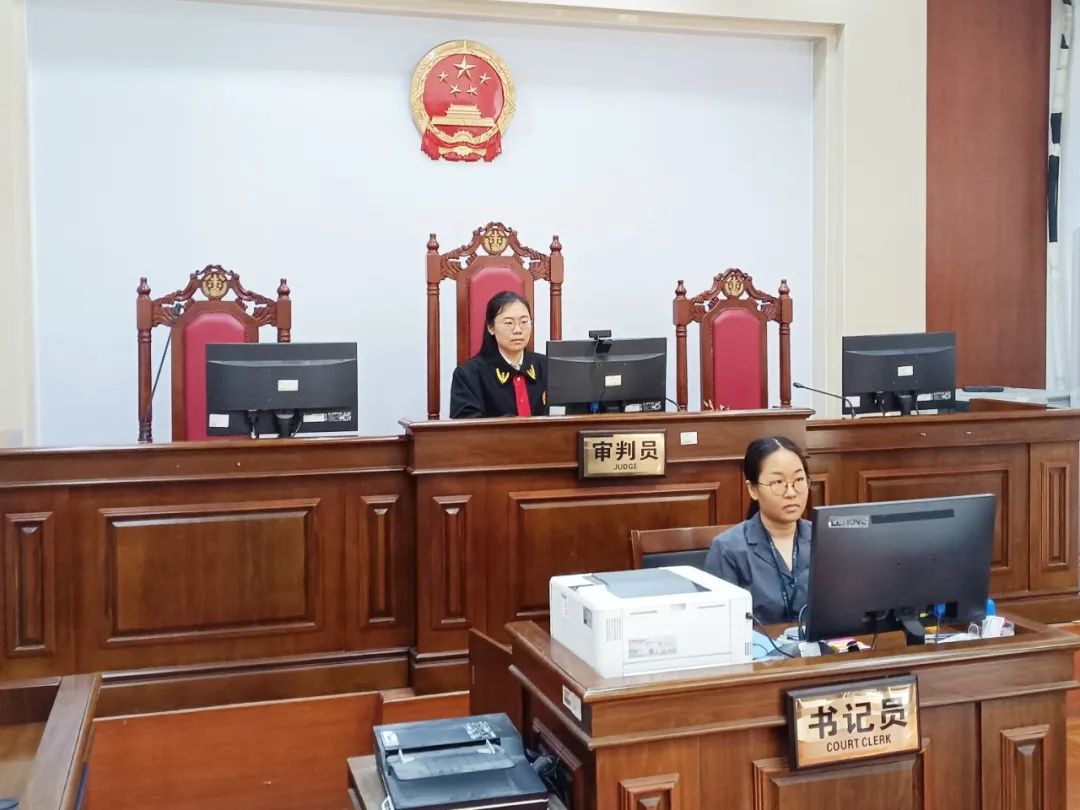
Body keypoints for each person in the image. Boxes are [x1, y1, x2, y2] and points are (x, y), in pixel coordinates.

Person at [704, 436, 811, 625]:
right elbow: (717, 625)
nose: (791, 492)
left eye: (799, 480)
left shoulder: (827, 540)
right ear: (753, 489)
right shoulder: (728, 549)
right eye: (778, 482)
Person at [449, 290, 548, 418]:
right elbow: (467, 426)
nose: (518, 330)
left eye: (524, 322)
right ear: (491, 328)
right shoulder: (468, 375)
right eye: (509, 323)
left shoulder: (547, 366)